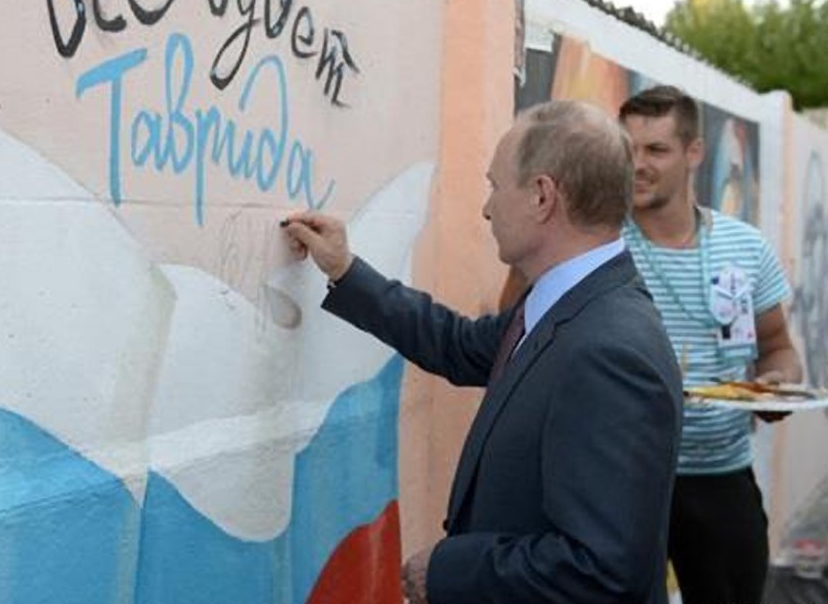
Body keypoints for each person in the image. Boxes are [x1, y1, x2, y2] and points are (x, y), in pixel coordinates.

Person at [283, 101, 682, 603]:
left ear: (542, 196)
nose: (487, 208)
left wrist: (450, 570)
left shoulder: (609, 351)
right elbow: (457, 344)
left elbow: (600, 570)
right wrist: (345, 270)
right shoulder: (569, 304)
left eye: (495, 186)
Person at [501, 86, 803, 603]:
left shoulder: (746, 247)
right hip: (615, 486)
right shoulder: (592, 242)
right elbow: (516, 329)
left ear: (694, 152)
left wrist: (779, 385)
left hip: (720, 480)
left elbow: (779, 347)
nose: (638, 165)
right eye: (629, 149)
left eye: (656, 150)